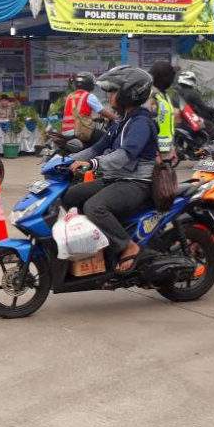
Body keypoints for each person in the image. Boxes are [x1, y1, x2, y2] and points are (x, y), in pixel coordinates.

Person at [62, 66, 157, 273]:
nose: (109, 95)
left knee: (94, 207)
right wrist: (64, 161)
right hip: (115, 179)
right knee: (69, 196)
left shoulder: (141, 122)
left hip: (136, 183)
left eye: (113, 91)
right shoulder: (122, 120)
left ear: (129, 93)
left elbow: (125, 155)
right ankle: (98, 246)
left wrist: (93, 164)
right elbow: (97, 147)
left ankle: (127, 245)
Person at [61, 72, 117, 141]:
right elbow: (102, 111)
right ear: (90, 84)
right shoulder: (88, 96)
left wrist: (93, 119)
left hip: (65, 132)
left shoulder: (70, 96)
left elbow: (77, 115)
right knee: (106, 138)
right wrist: (116, 118)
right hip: (78, 131)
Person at [148, 60, 177, 160]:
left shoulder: (164, 95)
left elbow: (167, 125)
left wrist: (172, 148)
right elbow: (149, 125)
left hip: (166, 153)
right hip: (155, 155)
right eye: (171, 76)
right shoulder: (152, 96)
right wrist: (155, 154)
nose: (172, 79)